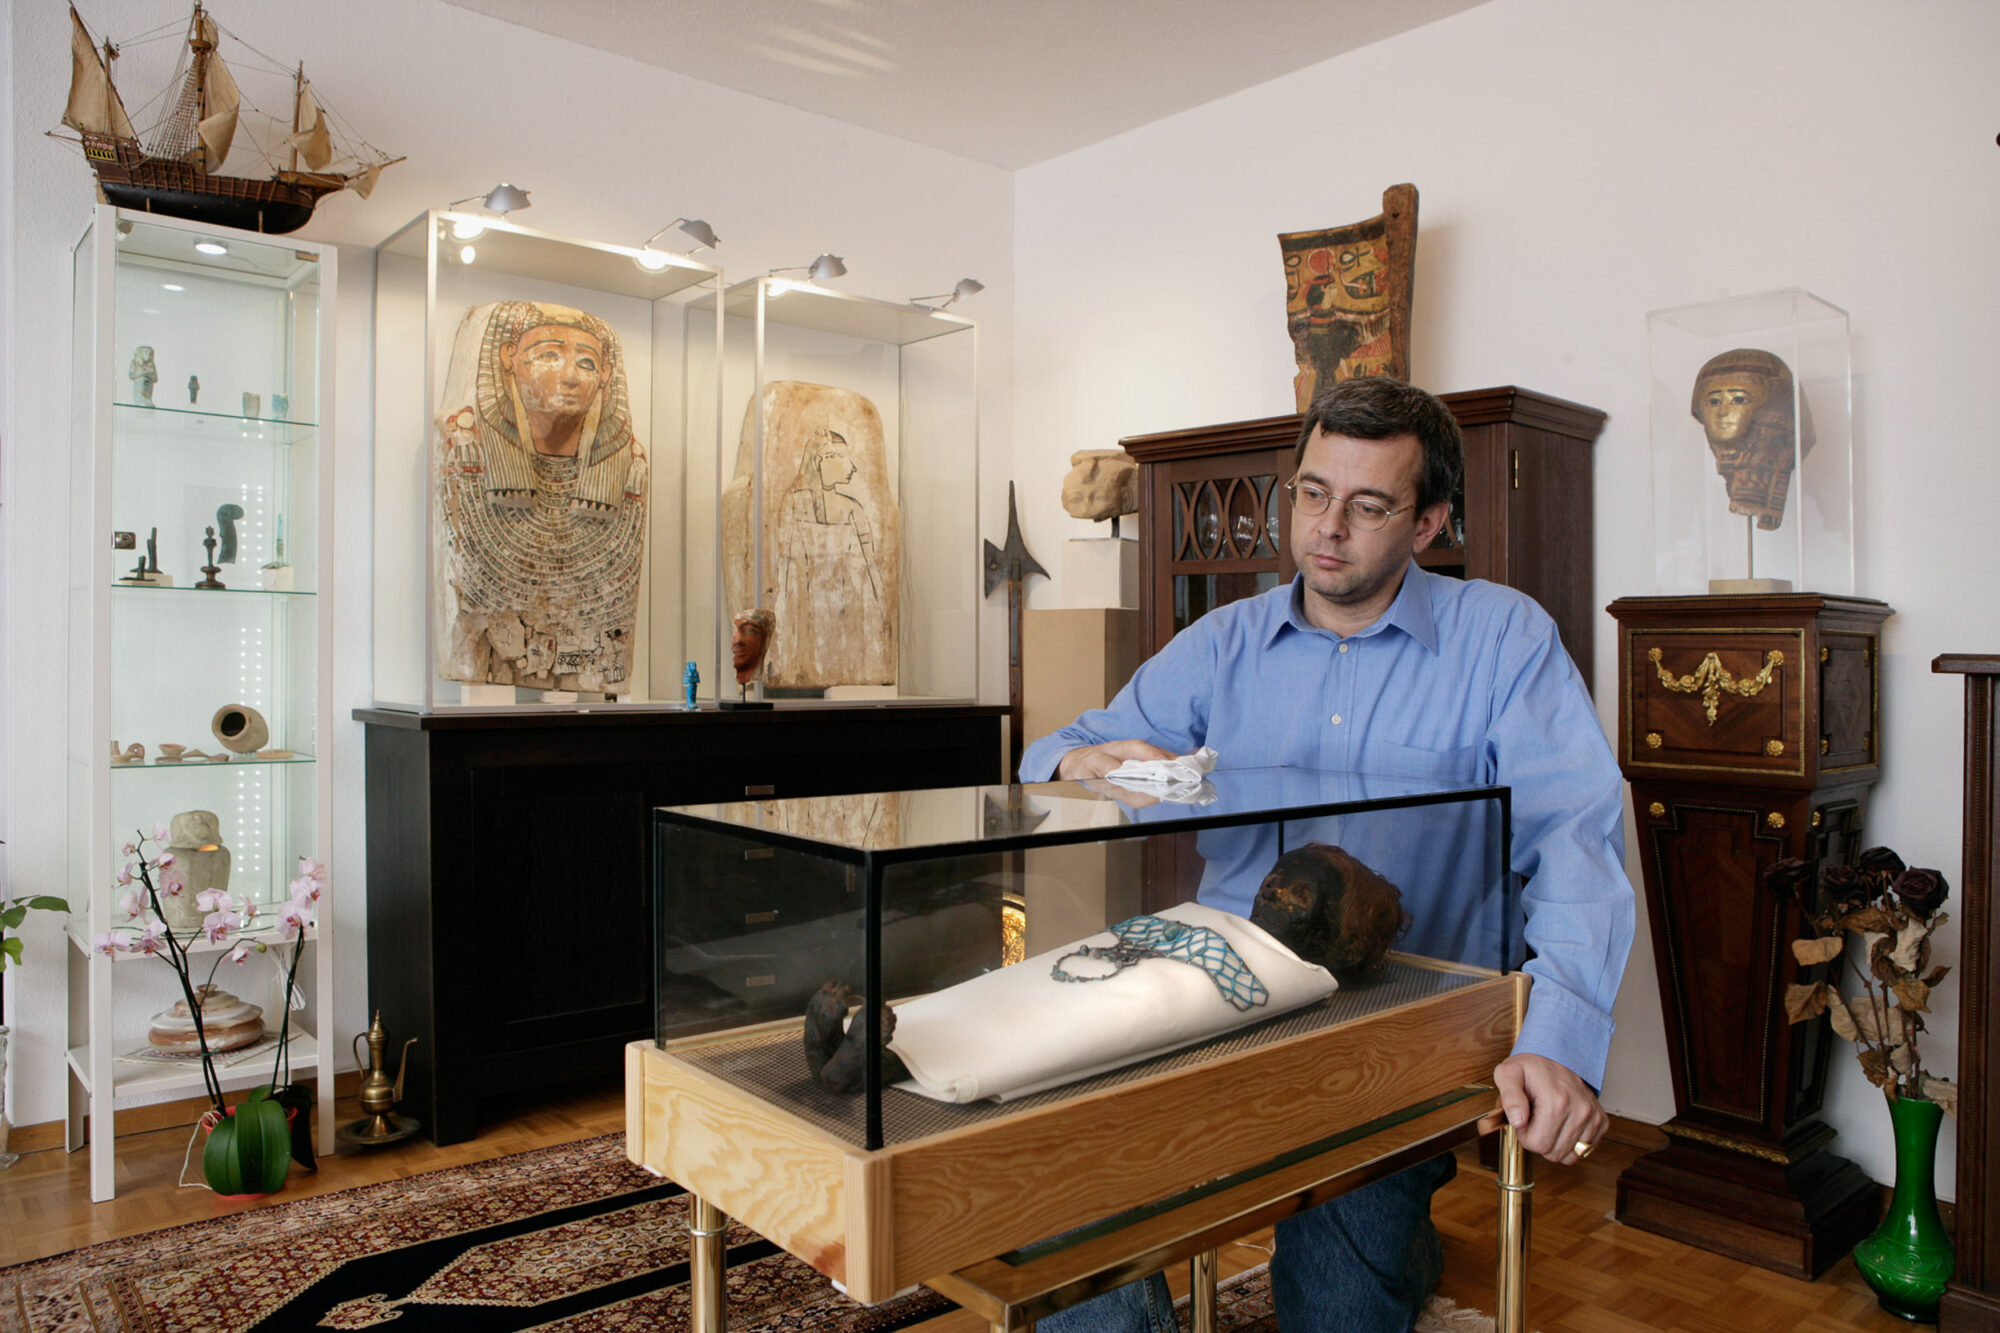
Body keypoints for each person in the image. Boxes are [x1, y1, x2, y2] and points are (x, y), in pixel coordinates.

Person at [1019, 375, 1633, 1333]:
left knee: (1343, 1301)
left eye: (1368, 504)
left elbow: (1576, 843)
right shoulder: (1218, 644)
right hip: (1216, 996)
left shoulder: (1505, 638)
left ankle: (1398, 1236)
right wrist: (1085, 756)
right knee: (1065, 1202)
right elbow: (1051, 750)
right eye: (1311, 492)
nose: (1325, 529)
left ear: (1429, 523)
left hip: (1397, 1028)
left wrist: (1560, 1038)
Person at [433, 300, 648, 693]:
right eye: (548, 356)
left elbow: (613, 597)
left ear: (605, 375)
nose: (569, 376)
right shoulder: (466, 445)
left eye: (585, 363)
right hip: (492, 654)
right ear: (508, 359)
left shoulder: (630, 466)